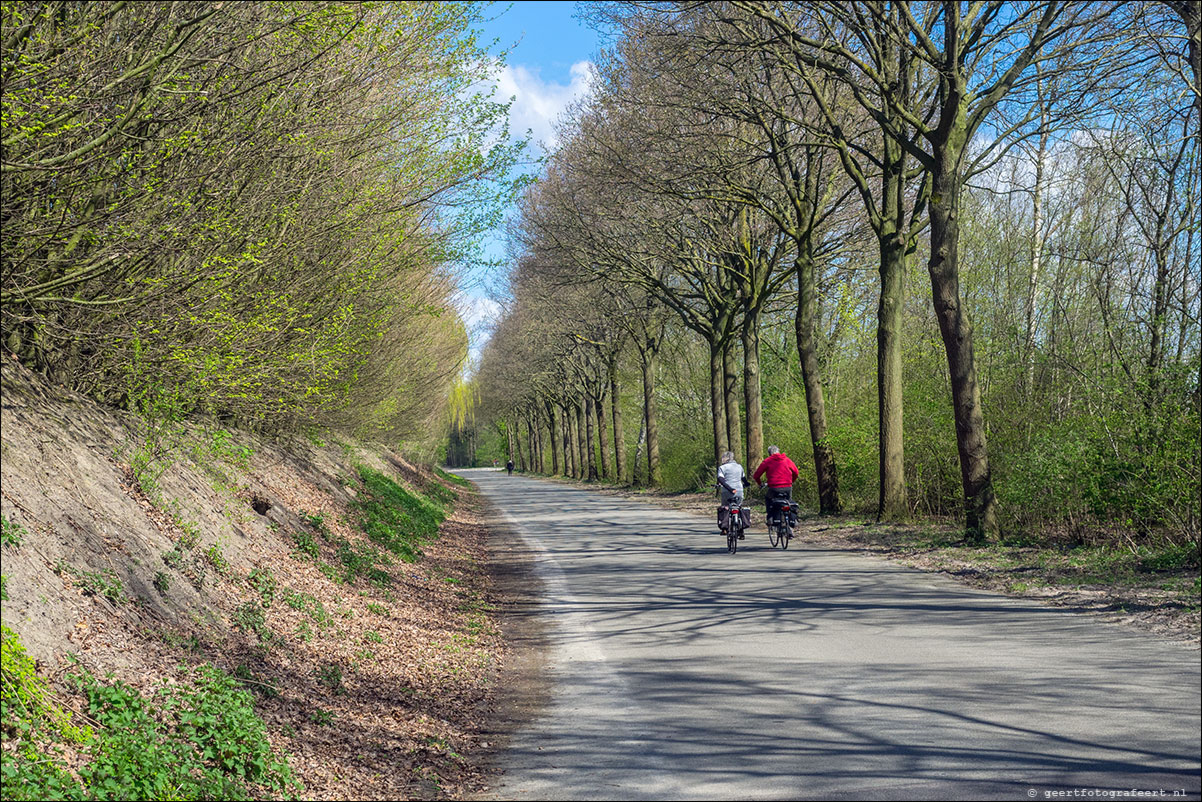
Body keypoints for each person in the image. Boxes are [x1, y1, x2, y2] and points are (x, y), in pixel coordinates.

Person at [753, 445, 799, 526]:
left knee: (769, 500)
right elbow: (796, 472)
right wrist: (792, 481)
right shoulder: (787, 460)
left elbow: (756, 475)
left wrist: (760, 484)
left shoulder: (767, 461)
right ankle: (791, 522)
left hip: (774, 488)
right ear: (779, 451)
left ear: (769, 453)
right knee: (788, 501)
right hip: (787, 487)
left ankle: (770, 518)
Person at [716, 451, 748, 539]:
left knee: (725, 507)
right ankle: (741, 532)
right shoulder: (739, 467)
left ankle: (724, 529)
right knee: (739, 507)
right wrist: (747, 484)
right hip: (739, 490)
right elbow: (743, 479)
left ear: (725, 459)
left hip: (727, 491)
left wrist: (729, 488)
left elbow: (721, 479)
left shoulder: (722, 467)